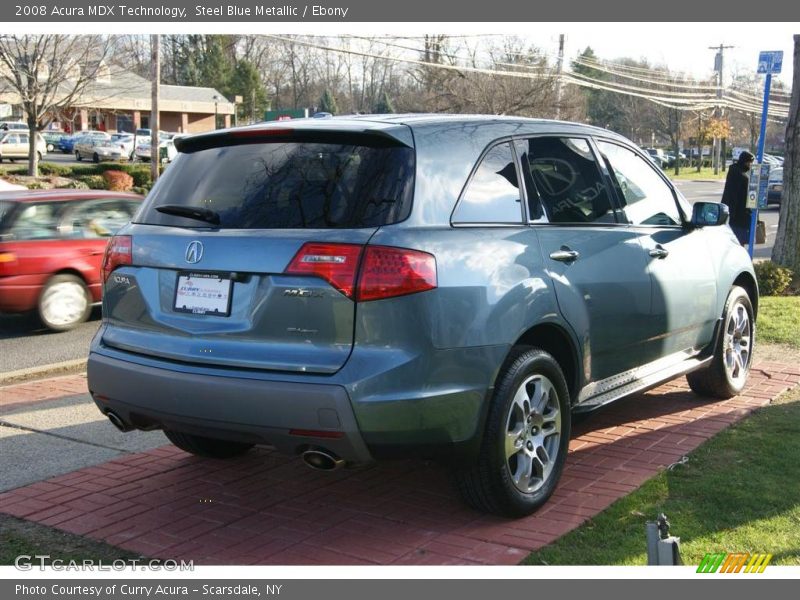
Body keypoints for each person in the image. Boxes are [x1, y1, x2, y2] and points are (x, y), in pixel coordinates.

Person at [721, 150, 755, 245]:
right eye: (749, 162)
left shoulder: (737, 171)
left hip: (737, 212)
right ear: (745, 161)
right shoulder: (739, 174)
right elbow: (735, 194)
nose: (750, 165)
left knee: (737, 238)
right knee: (738, 239)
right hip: (739, 213)